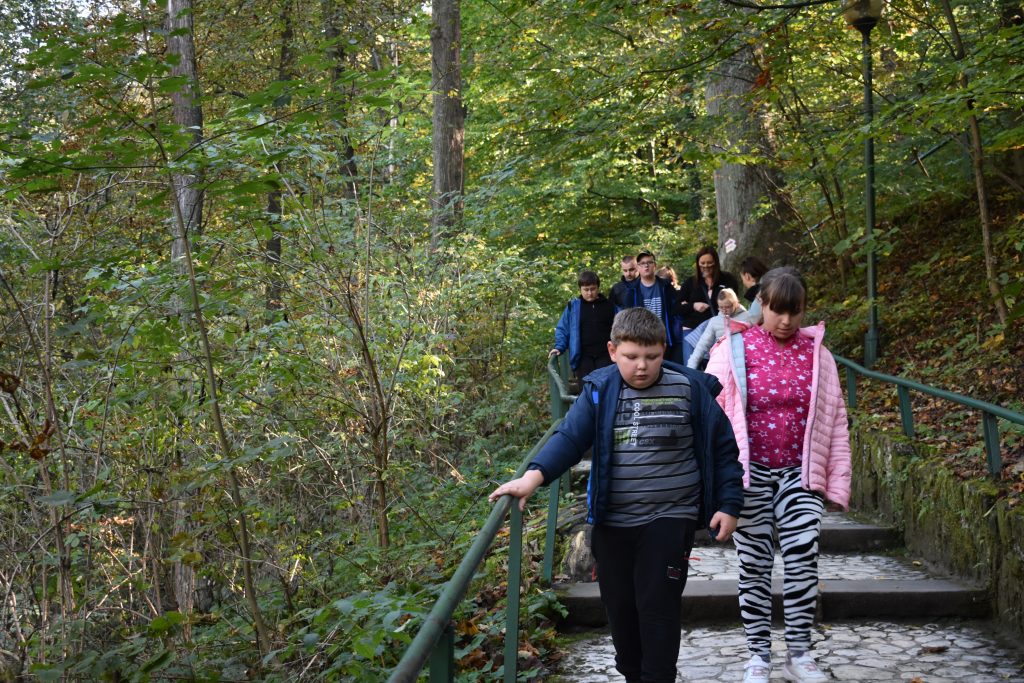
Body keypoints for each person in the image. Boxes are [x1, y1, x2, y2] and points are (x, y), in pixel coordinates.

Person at [490, 308, 744, 683]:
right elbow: (570, 438)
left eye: (652, 356)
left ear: (664, 349)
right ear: (612, 351)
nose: (642, 366)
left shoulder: (691, 390)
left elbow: (723, 449)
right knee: (621, 609)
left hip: (671, 518)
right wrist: (533, 476)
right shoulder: (600, 391)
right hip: (613, 521)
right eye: (631, 357)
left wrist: (729, 504)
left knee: (658, 606)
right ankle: (632, 674)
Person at [704, 268, 852, 683]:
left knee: (803, 553)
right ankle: (758, 656)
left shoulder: (817, 353)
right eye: (777, 311)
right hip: (748, 474)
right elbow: (710, 413)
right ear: (761, 305)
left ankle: (800, 653)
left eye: (795, 312)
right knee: (753, 564)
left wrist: (837, 480)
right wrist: (716, 478)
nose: (786, 321)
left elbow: (834, 419)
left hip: (798, 474)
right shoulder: (733, 347)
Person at [675, 246, 740, 362]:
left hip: (718, 331)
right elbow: (676, 308)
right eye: (702, 263)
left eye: (709, 263)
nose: (706, 266)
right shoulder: (690, 283)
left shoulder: (728, 280)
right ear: (698, 264)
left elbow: (734, 304)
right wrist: (693, 305)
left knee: (717, 366)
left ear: (716, 262)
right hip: (692, 331)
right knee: (691, 367)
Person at [551, 270, 616, 384]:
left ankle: (601, 402)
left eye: (593, 289)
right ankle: (592, 402)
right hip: (583, 357)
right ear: (580, 289)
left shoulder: (609, 306)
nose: (590, 293)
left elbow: (621, 328)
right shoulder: (574, 307)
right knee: (587, 388)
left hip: (605, 355)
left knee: (605, 386)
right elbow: (563, 328)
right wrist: (559, 347)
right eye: (586, 290)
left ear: (598, 288)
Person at [622, 251, 682, 363]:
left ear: (654, 265)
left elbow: (677, 310)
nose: (646, 265)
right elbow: (627, 319)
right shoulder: (632, 291)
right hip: (642, 341)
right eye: (642, 263)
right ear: (637, 268)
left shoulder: (666, 287)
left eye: (649, 262)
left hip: (666, 339)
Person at [685, 287, 745, 370]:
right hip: (721, 364)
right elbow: (701, 346)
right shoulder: (714, 321)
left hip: (743, 361)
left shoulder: (747, 317)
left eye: (727, 307)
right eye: (721, 307)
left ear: (735, 303)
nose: (724, 310)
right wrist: (690, 369)